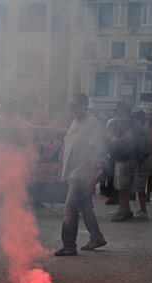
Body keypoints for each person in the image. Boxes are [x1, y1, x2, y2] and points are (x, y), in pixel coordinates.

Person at [54, 94, 107, 256]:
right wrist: (63, 163)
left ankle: (69, 245)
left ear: (84, 105)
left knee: (70, 208)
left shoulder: (92, 123)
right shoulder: (75, 123)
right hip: (72, 173)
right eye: (71, 106)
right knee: (84, 207)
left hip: (81, 173)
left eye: (75, 105)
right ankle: (97, 237)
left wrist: (91, 174)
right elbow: (71, 145)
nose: (72, 109)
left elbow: (95, 149)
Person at [108, 103, 141, 222]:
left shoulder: (127, 121)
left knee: (122, 186)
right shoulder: (128, 121)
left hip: (126, 158)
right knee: (120, 186)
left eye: (118, 109)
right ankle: (123, 209)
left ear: (122, 110)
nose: (116, 111)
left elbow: (128, 138)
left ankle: (125, 211)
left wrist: (114, 141)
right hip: (123, 158)